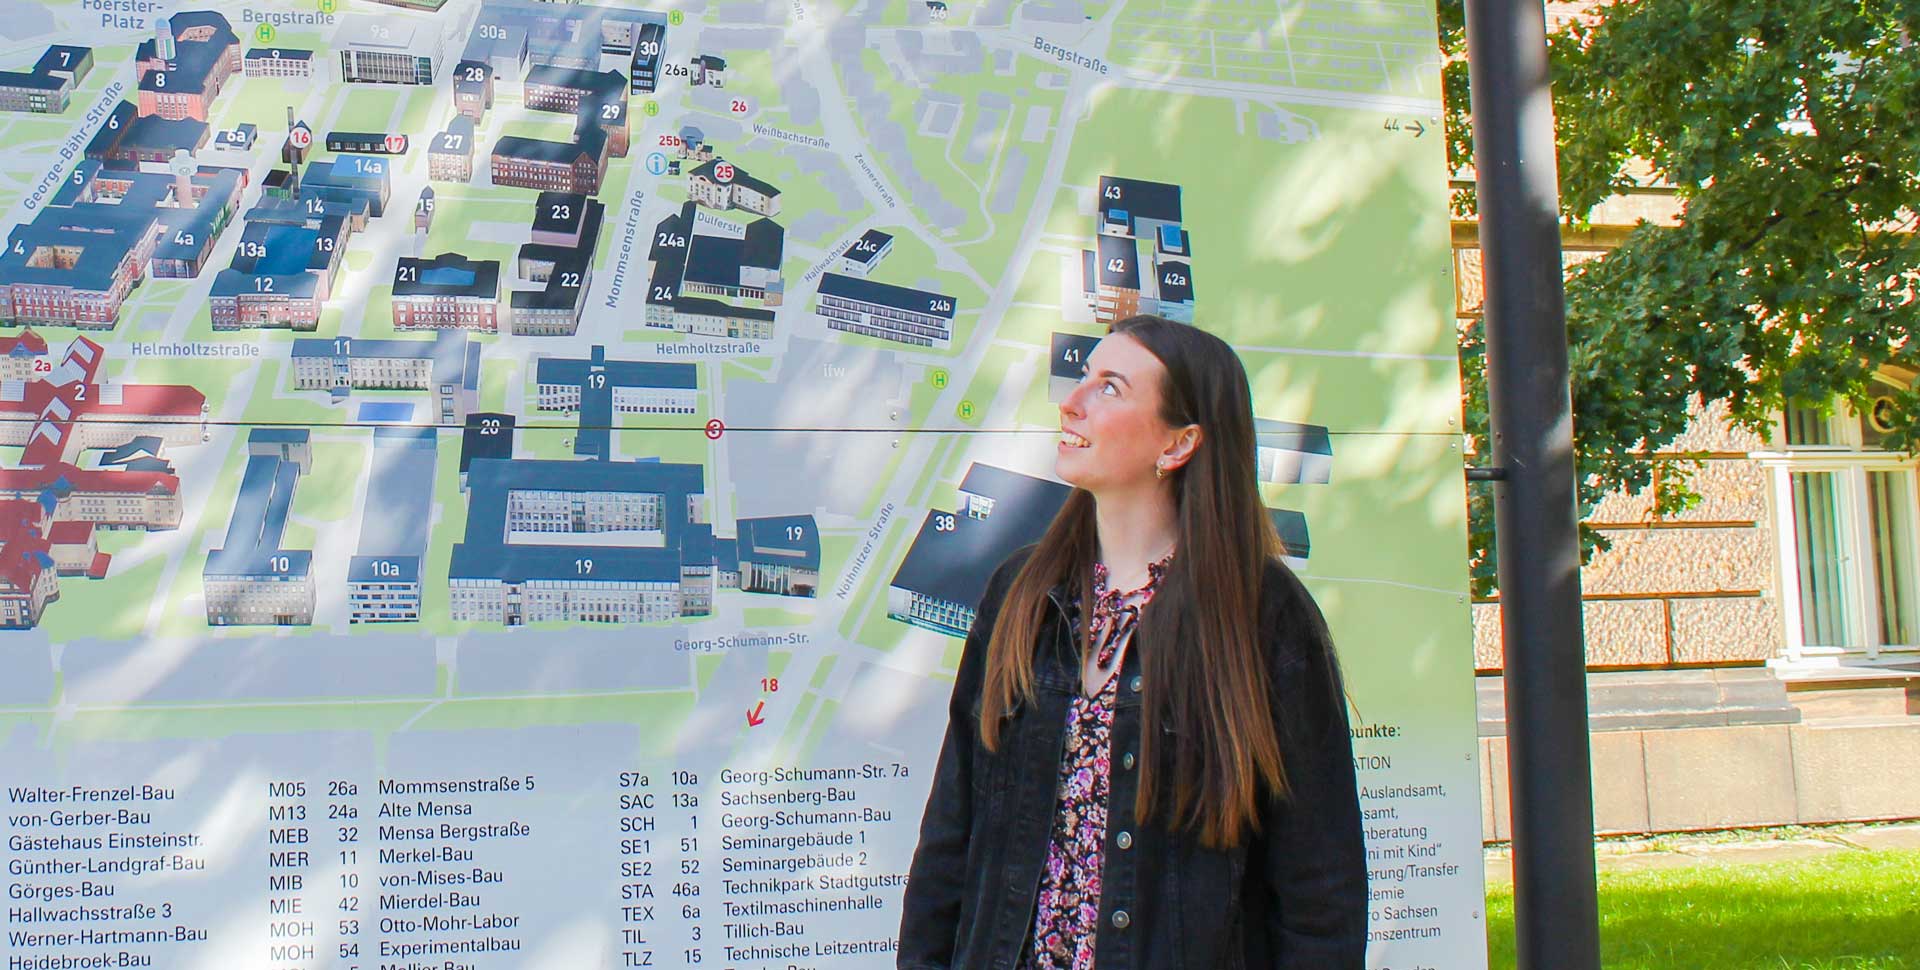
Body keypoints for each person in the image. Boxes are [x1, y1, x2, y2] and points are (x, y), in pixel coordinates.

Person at [898, 314, 1366, 969]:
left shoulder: (1263, 617)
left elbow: (1322, 891)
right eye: (1084, 377)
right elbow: (952, 832)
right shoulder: (1021, 593)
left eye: (1111, 387)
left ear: (1178, 444)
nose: (1073, 401)